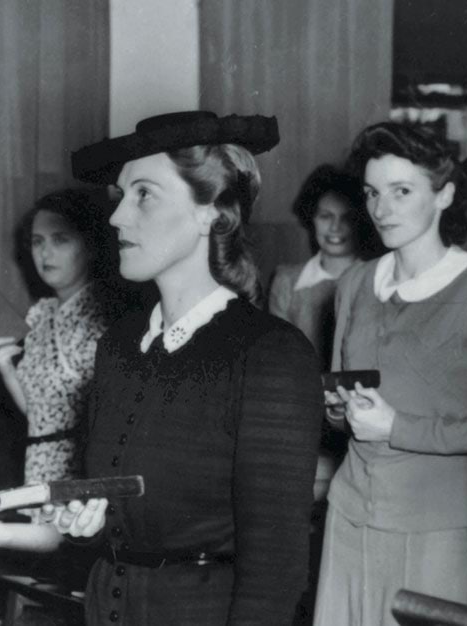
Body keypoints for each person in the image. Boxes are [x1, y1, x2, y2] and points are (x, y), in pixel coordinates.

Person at [46, 110, 322, 624]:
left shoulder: (270, 354)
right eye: (120, 196)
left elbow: (276, 566)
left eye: (144, 194)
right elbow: (131, 508)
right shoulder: (119, 346)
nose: (117, 217)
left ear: (210, 213)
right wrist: (86, 520)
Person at [313, 121, 467, 625]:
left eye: (402, 191)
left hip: (434, 528)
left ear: (444, 195)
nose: (381, 209)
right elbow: (339, 409)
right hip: (349, 518)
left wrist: (398, 428)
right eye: (373, 193)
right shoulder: (353, 284)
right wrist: (337, 411)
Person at [0, 187, 119, 484]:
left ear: (90, 245)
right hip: (37, 467)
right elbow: (40, 415)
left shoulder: (105, 316)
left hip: (82, 475)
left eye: (60, 240)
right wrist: (5, 369)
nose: (45, 253)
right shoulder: (40, 314)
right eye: (37, 242)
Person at [268, 164, 382, 359]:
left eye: (347, 218)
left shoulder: (378, 278)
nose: (335, 227)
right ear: (311, 219)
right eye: (326, 216)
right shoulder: (286, 281)